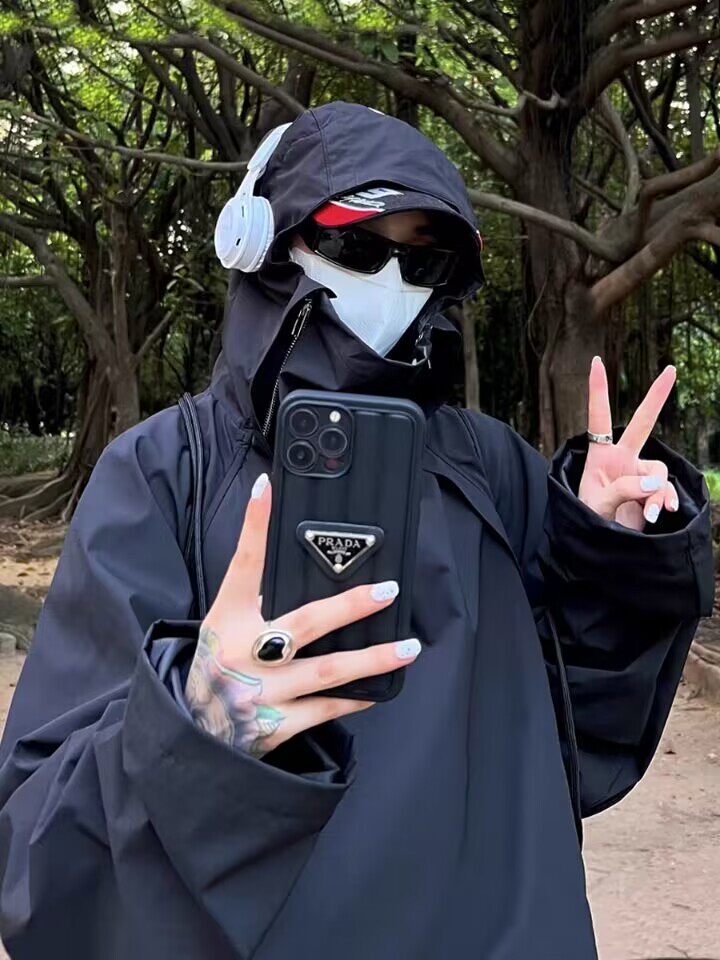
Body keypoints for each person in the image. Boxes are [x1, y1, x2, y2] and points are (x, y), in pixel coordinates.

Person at [0, 101, 712, 960]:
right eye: (358, 247)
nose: (391, 281)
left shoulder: (491, 466)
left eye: (425, 260)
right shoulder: (164, 473)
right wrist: (195, 727)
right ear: (264, 243)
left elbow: (585, 736)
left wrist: (610, 553)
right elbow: (40, 863)